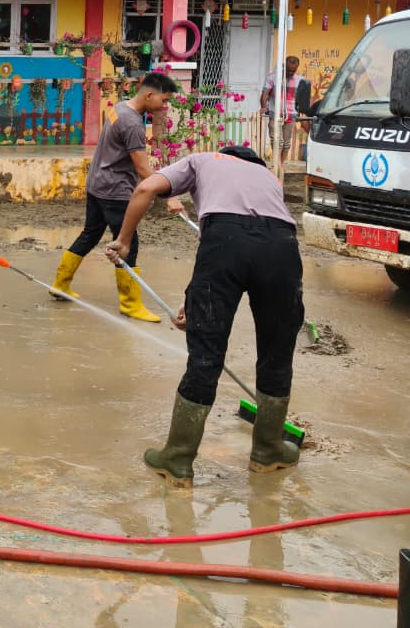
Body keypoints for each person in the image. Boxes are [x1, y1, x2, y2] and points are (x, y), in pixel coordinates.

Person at [105, 145, 303, 487]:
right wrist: (191, 301)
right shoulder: (269, 177)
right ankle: (268, 451)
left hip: (223, 240)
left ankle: (177, 460)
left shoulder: (204, 159)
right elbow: (253, 236)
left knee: (205, 354)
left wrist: (123, 241)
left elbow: (145, 188)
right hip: (282, 246)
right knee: (277, 350)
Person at [49, 71, 180, 321]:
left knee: (90, 234)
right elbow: (143, 169)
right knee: (128, 243)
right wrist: (168, 195)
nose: (165, 106)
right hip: (115, 190)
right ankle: (130, 304)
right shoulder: (133, 124)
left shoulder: (119, 107)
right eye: (164, 101)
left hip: (97, 183)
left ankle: (60, 284)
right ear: (149, 95)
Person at [260, 55, 312, 166]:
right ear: (284, 67)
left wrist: (302, 109)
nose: (290, 72)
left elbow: (303, 98)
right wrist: (264, 106)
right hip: (275, 113)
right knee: (276, 140)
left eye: (293, 70)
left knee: (286, 144)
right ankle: (277, 165)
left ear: (297, 68)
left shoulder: (300, 80)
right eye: (288, 70)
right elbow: (265, 93)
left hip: (291, 114)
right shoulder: (272, 77)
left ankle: (280, 165)